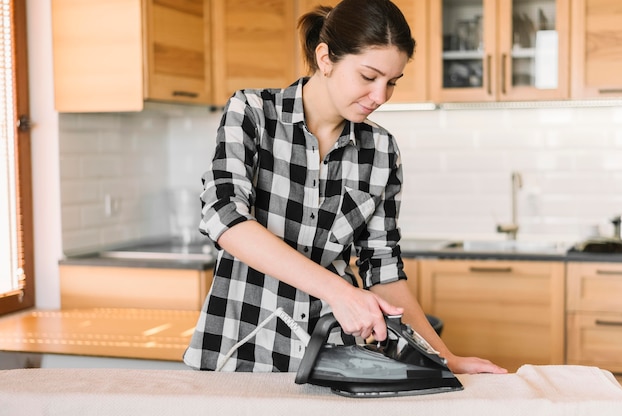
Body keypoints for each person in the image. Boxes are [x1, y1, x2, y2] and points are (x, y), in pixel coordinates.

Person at [184, 0, 507, 375]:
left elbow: (382, 267)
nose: (380, 96)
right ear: (325, 58)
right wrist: (339, 292)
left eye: (392, 82)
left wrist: (444, 358)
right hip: (238, 353)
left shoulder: (381, 150)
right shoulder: (253, 112)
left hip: (330, 361)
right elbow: (225, 217)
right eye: (369, 77)